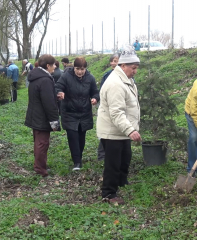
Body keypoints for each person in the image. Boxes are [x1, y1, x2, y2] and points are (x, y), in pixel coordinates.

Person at [97, 46, 141, 205]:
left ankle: (121, 182)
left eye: (136, 68)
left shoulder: (126, 79)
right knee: (113, 163)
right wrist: (130, 130)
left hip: (121, 130)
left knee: (125, 157)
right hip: (113, 131)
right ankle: (108, 193)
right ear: (123, 66)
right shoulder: (115, 84)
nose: (135, 71)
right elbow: (116, 112)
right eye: (133, 68)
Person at [56, 57, 99, 171]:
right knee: (72, 137)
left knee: (81, 137)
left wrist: (95, 98)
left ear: (85, 68)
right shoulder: (66, 76)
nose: (80, 72)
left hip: (84, 112)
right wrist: (60, 93)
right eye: (77, 69)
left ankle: (79, 156)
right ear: (73, 67)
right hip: (69, 112)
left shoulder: (90, 78)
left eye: (82, 69)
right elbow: (58, 86)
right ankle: (77, 162)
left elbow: (95, 92)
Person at [24, 54, 60, 177]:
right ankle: (40, 169)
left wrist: (54, 96)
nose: (55, 66)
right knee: (42, 144)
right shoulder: (45, 80)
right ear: (48, 66)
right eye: (54, 64)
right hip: (42, 117)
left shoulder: (36, 76)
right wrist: (54, 121)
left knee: (39, 142)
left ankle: (40, 165)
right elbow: (48, 103)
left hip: (35, 115)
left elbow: (42, 96)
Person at [97, 54, 119, 161]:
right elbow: (102, 93)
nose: (114, 63)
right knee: (105, 132)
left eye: (117, 61)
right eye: (113, 61)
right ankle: (102, 156)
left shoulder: (127, 76)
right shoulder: (107, 76)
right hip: (107, 108)